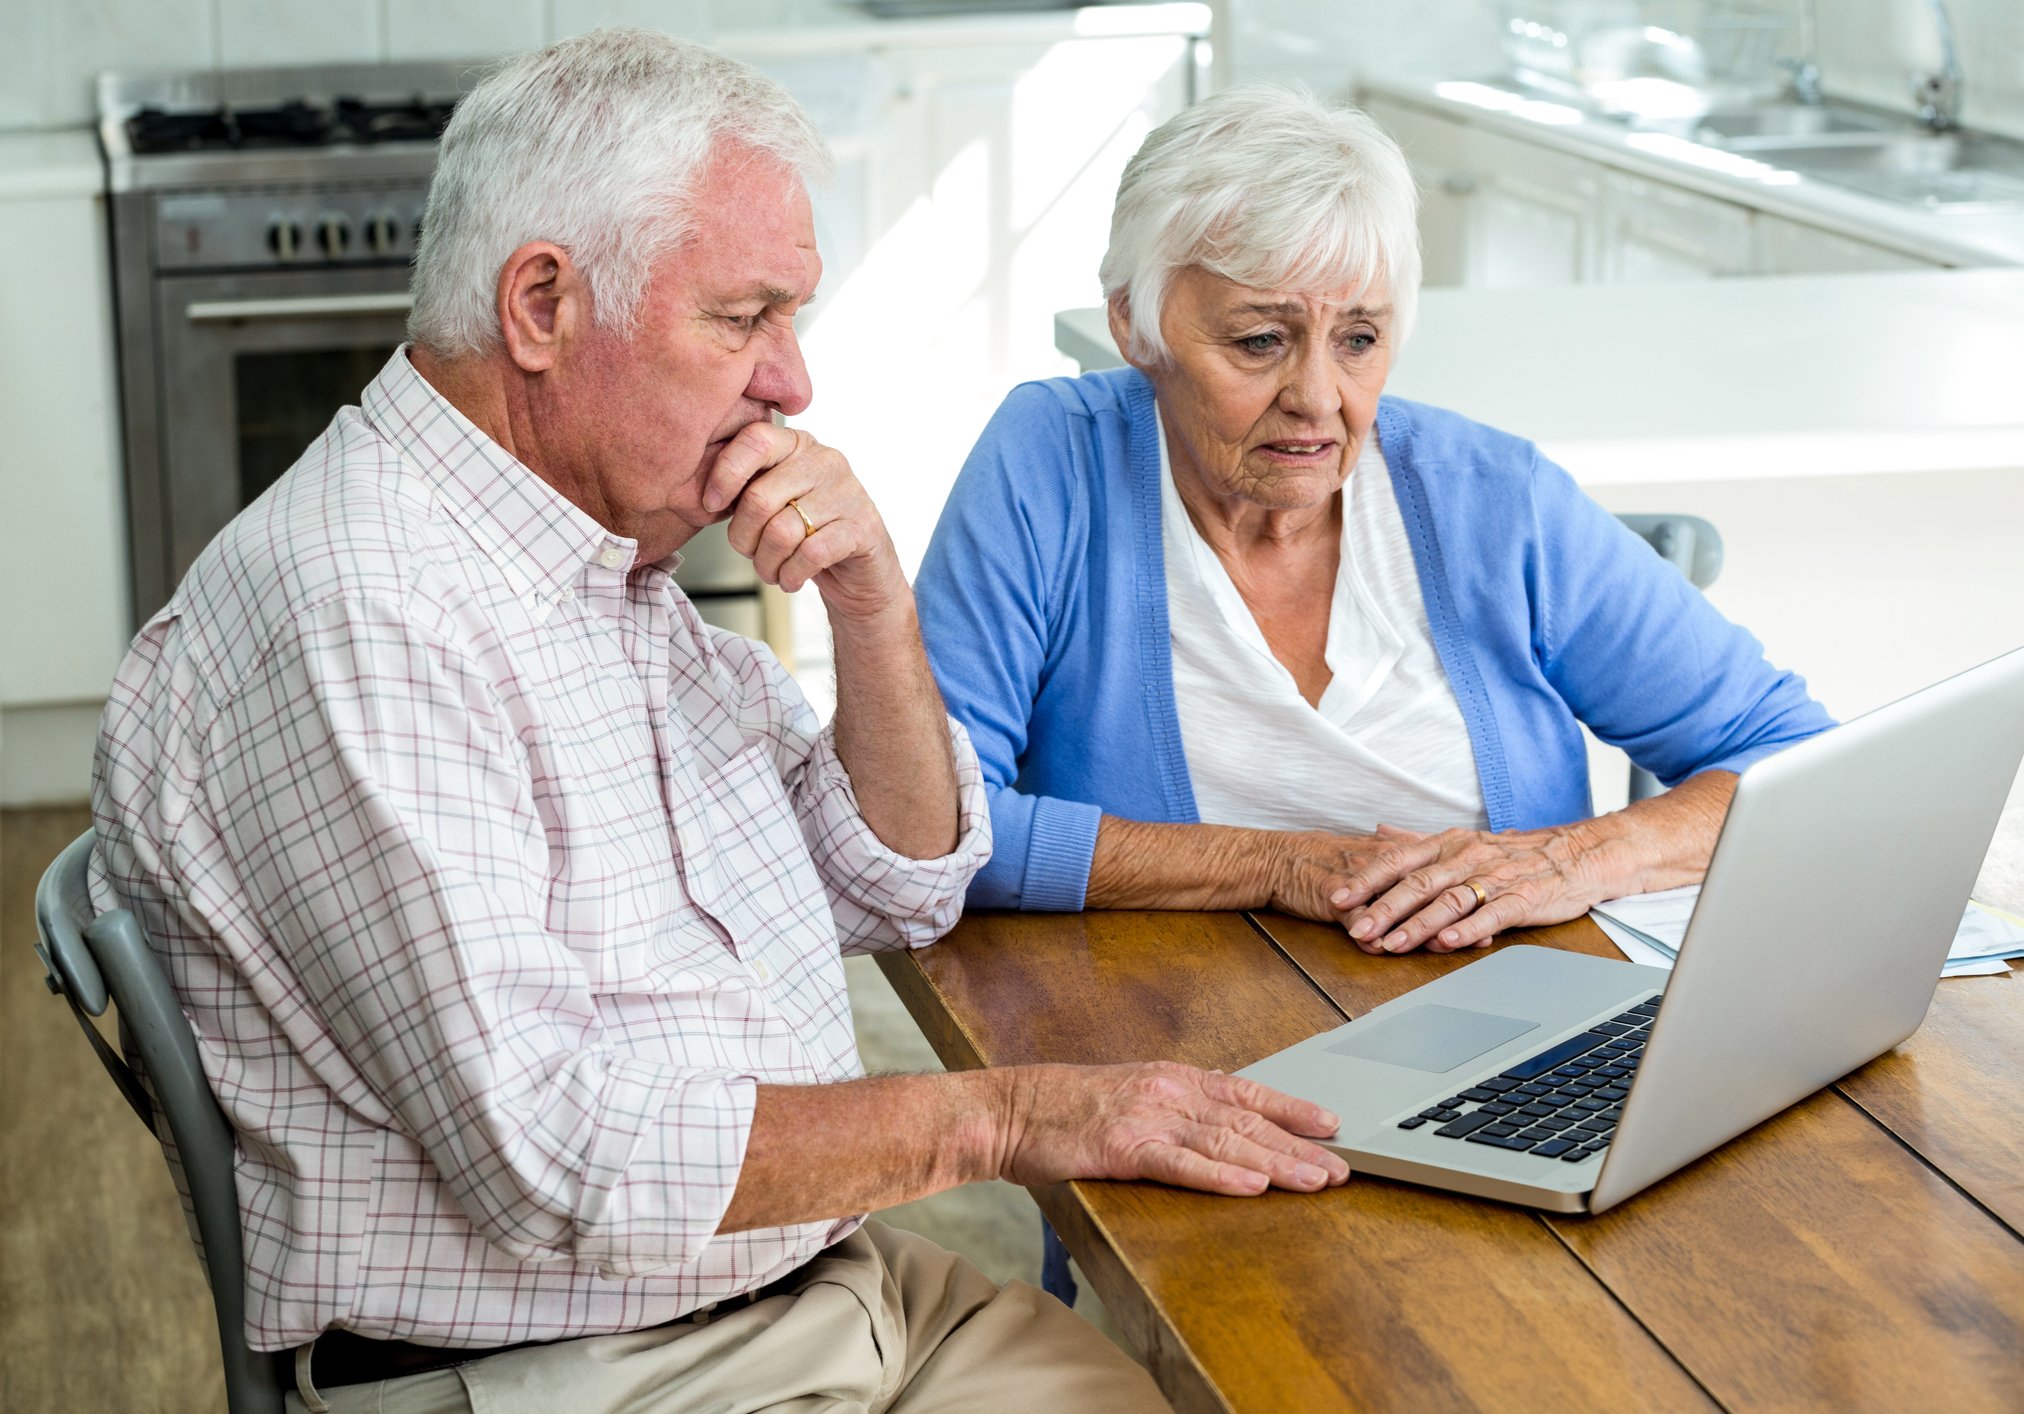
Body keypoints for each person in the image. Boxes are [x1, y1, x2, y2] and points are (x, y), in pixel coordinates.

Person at [91, 33, 1351, 1414]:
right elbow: (561, 1155)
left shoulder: (594, 557)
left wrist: (872, 604)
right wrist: (1010, 1114)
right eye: (744, 317)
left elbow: (898, 873)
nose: (792, 382)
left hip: (811, 1292)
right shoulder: (363, 612)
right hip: (570, 1372)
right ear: (541, 308)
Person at [915, 84, 1834, 958]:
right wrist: (1277, 863)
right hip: (1165, 1038)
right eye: (1258, 341)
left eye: (1358, 339)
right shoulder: (1049, 462)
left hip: (1511, 1030)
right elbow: (931, 829)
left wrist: (1569, 860)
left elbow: (1795, 761)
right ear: (1134, 326)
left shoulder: (1491, 497)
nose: (1318, 399)